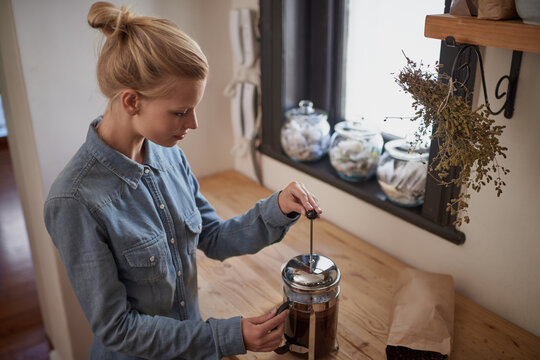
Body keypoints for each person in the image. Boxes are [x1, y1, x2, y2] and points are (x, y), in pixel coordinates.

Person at [43, 2, 322, 359]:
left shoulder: (168, 154)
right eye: (180, 112)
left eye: (194, 108)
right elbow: (118, 329)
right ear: (131, 101)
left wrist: (277, 208)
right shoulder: (74, 201)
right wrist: (226, 337)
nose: (193, 124)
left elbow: (214, 237)